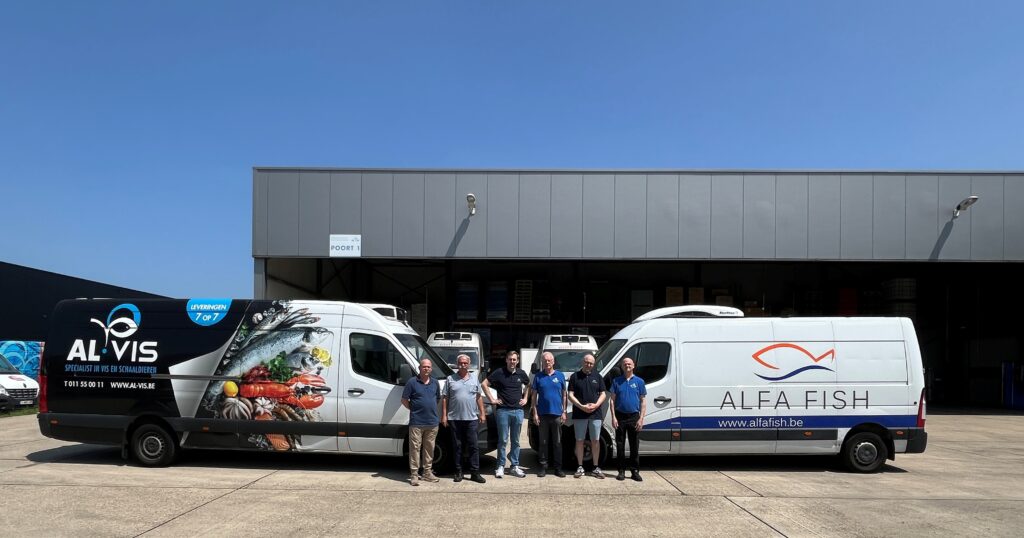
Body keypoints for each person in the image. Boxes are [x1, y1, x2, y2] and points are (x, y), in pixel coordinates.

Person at [482, 350, 531, 478]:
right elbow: (484, 384)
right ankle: (500, 466)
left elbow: (529, 385)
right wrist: (492, 399)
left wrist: (526, 398)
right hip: (503, 411)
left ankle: (514, 466)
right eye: (510, 359)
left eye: (514, 359)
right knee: (503, 440)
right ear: (506, 360)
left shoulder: (521, 373)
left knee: (516, 441)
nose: (512, 362)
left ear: (517, 361)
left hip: (518, 411)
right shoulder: (499, 372)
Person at [442, 354, 487, 484]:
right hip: (454, 419)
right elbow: (445, 398)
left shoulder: (474, 379)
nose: (463, 365)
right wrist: (444, 415)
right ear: (457, 364)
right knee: (457, 446)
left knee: (473, 446)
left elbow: (478, 397)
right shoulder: (450, 379)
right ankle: (458, 471)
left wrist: (482, 413)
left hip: (471, 419)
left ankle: (475, 473)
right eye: (461, 363)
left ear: (469, 364)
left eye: (465, 363)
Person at [401, 358, 441, 486]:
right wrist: (414, 409)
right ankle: (414, 475)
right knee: (415, 449)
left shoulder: (435, 383)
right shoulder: (412, 382)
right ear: (419, 368)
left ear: (431, 369)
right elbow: (404, 400)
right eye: (424, 366)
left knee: (429, 449)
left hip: (432, 423)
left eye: (428, 367)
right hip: (416, 422)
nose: (426, 368)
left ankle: (427, 473)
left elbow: (437, 399)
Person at [568, 353, 607, 479]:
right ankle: (580, 467)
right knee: (579, 440)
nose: (588, 365)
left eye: (591, 363)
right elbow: (570, 395)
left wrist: (596, 405)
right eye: (586, 362)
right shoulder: (575, 376)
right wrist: (581, 406)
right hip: (580, 413)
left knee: (595, 440)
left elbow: (603, 394)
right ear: (582, 362)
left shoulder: (598, 376)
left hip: (595, 414)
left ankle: (596, 467)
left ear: (593, 364)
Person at [609, 357, 647, 482]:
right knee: (620, 445)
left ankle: (635, 471)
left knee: (634, 445)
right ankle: (621, 471)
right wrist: (613, 417)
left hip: (634, 416)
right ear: (622, 366)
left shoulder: (640, 382)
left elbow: (643, 401)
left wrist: (641, 418)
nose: (627, 366)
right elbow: (612, 400)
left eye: (629, 364)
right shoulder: (616, 381)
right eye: (625, 364)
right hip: (620, 416)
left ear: (633, 366)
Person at [531, 351, 567, 477]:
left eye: (549, 360)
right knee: (543, 442)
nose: (547, 362)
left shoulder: (560, 376)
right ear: (542, 362)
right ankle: (543, 466)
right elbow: (534, 397)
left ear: (553, 361)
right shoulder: (538, 377)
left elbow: (564, 395)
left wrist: (564, 411)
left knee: (557, 443)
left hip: (557, 414)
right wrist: (535, 413)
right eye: (545, 360)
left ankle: (558, 468)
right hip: (543, 415)